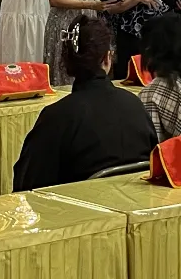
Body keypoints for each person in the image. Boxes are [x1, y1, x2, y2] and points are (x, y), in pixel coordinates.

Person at [13, 15, 156, 191]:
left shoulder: (58, 116)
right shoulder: (134, 104)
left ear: (67, 61)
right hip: (138, 209)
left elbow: (27, 186)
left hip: (80, 216)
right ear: (107, 58)